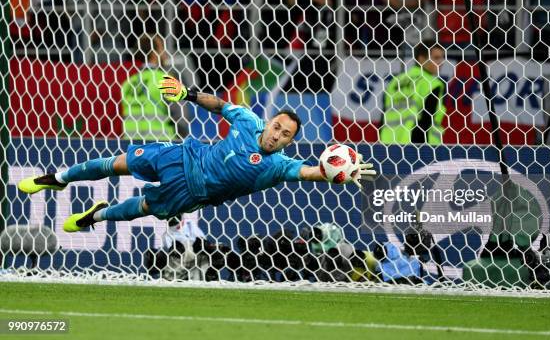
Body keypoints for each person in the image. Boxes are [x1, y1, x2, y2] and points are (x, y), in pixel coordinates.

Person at [18, 76, 376, 232]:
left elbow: (313, 172)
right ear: (269, 123)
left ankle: (96, 217)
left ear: (288, 144)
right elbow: (219, 105)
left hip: (192, 193)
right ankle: (59, 178)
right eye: (277, 127)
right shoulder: (248, 120)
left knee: (142, 208)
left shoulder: (278, 167)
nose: (277, 135)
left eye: (285, 135)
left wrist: (340, 173)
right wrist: (188, 94)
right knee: (120, 163)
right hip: (183, 156)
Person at [379, 41, 446, 145]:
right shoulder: (432, 84)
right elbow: (426, 120)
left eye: (442, 58)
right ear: (421, 59)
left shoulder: (394, 82)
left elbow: (383, 117)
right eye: (436, 58)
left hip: (388, 144)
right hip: (419, 147)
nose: (441, 62)